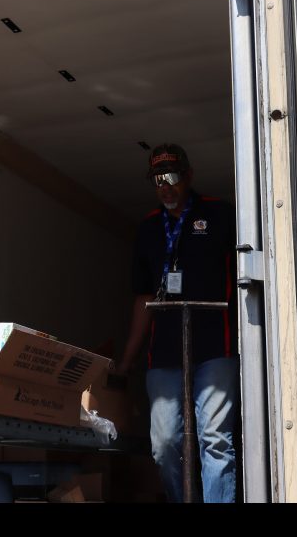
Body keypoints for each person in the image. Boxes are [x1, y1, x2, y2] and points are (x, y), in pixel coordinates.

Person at [118, 143, 239, 503]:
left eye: (171, 177)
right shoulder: (149, 228)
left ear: (188, 176)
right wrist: (127, 360)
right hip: (165, 351)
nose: (165, 186)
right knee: (165, 443)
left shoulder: (220, 214)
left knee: (214, 440)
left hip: (217, 345)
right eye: (158, 179)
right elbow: (143, 299)